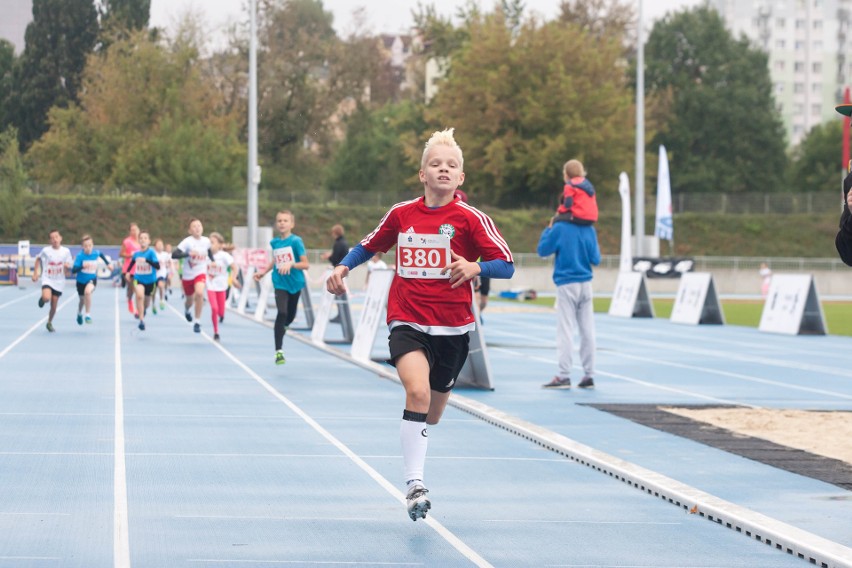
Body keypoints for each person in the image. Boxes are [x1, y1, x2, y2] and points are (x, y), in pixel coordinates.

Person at [326, 128, 514, 522]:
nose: (443, 169)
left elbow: (507, 263)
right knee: (416, 392)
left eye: (451, 165)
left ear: (461, 178)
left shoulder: (470, 219)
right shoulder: (401, 214)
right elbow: (368, 245)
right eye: (435, 164)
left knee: (433, 412)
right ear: (422, 174)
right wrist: (343, 267)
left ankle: (418, 439)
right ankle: (415, 485)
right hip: (407, 318)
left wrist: (476, 265)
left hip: (453, 327)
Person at [537, 210, 600, 390]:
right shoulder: (589, 229)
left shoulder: (559, 227)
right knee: (588, 330)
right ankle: (589, 374)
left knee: (565, 330)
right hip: (586, 283)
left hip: (566, 283)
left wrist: (549, 229)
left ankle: (564, 375)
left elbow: (542, 251)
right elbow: (596, 258)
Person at [253, 211, 309, 364]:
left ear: (292, 224)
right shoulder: (275, 243)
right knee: (282, 312)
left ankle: (283, 327)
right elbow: (275, 260)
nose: (282, 223)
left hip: (295, 282)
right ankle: (278, 351)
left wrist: (291, 264)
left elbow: (306, 264)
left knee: (290, 315)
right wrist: (263, 272)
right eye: (279, 221)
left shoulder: (296, 241)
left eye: (285, 220)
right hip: (279, 282)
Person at [171, 218, 211, 333]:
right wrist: (188, 253)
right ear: (190, 230)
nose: (197, 228)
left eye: (199, 225)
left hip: (200, 272)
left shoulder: (206, 241)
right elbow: (174, 255)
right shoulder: (187, 242)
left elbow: (210, 254)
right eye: (194, 226)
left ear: (202, 228)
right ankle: (187, 310)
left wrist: (213, 261)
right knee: (189, 300)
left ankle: (197, 321)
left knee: (199, 293)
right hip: (188, 275)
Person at [32, 229, 73, 332]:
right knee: (46, 297)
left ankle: (49, 322)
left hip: (59, 281)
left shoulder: (66, 251)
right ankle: (43, 299)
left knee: (54, 306)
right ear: (50, 241)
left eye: (56, 237)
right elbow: (38, 259)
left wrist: (67, 268)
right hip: (48, 279)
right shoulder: (46, 250)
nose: (55, 239)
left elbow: (68, 267)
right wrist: (35, 273)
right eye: (52, 238)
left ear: (60, 238)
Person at [71, 235, 111, 325]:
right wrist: (82, 266)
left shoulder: (95, 253)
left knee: (88, 292)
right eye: (85, 246)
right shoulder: (80, 256)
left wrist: (108, 264)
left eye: (90, 245)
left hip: (92, 279)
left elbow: (101, 254)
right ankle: (79, 313)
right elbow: (73, 270)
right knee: (82, 300)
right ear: (82, 247)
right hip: (80, 281)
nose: (88, 248)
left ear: (92, 245)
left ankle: (88, 314)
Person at [207, 232, 239, 341]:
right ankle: (216, 332)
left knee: (221, 311)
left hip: (222, 287)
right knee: (214, 309)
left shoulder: (224, 256)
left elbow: (235, 267)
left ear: (219, 245)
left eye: (212, 242)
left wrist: (234, 278)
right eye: (209, 242)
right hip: (210, 286)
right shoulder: (205, 255)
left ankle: (221, 315)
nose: (210, 245)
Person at [126, 231, 160, 331]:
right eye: (141, 238)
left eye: (145, 238)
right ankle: (141, 320)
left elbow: (157, 266)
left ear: (149, 241)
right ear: (138, 241)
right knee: (139, 296)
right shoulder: (136, 254)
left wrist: (146, 261)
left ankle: (143, 310)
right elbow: (132, 264)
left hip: (150, 281)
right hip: (139, 279)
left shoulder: (151, 253)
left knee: (147, 303)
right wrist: (128, 272)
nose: (143, 240)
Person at [552, 159, 598, 225]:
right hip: (592, 218)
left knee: (555, 220)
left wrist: (559, 211)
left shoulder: (569, 186)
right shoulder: (588, 184)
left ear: (566, 175)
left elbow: (568, 204)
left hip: (579, 217)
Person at [119, 223, 141, 315]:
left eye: (136, 229)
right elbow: (121, 254)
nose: (134, 232)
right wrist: (130, 255)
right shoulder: (127, 242)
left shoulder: (141, 241)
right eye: (132, 230)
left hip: (139, 269)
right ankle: (131, 302)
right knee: (133, 289)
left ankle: (137, 309)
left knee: (137, 290)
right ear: (130, 231)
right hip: (128, 269)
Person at [153, 238, 171, 312]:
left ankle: (161, 300)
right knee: (153, 291)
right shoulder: (153, 254)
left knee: (161, 286)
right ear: (155, 246)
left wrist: (169, 270)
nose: (160, 246)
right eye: (158, 244)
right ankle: (153, 304)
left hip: (162, 273)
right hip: (153, 274)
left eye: (161, 244)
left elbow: (169, 262)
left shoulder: (165, 254)